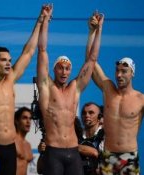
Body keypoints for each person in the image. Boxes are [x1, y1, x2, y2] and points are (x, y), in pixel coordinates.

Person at [0, 5, 48, 175]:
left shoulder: (10, 80)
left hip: (10, 148)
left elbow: (29, 51)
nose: (8, 63)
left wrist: (40, 20)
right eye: (3, 60)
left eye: (9, 60)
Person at [36, 7, 104, 175]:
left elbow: (92, 59)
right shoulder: (47, 86)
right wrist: (45, 22)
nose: (64, 72)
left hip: (73, 151)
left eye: (67, 69)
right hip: (54, 152)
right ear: (54, 69)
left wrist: (98, 30)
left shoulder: (75, 88)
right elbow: (42, 50)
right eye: (60, 68)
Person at [79, 102, 104, 175]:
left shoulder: (106, 136)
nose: (86, 115)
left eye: (91, 113)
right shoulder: (75, 135)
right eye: (84, 113)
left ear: (99, 117)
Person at [14, 107, 33, 175]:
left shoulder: (28, 145)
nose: (28, 121)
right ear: (17, 121)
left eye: (30, 118)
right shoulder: (12, 140)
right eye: (24, 118)